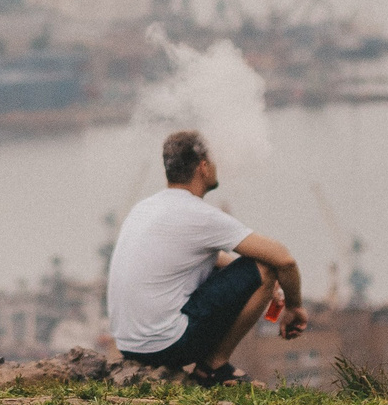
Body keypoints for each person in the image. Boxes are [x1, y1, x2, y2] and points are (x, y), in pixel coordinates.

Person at [105, 128, 306, 385]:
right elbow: (283, 259)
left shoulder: (144, 208)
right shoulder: (199, 214)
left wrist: (246, 280)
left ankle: (211, 364)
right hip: (168, 344)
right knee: (265, 267)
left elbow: (204, 257)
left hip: (128, 345)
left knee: (253, 269)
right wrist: (293, 307)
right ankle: (213, 367)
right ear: (203, 167)